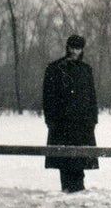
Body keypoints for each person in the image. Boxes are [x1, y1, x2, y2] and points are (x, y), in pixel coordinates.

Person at [42, 34, 99, 193]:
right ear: (67, 47)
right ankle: (68, 190)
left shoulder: (85, 70)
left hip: (82, 124)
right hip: (62, 124)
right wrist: (51, 120)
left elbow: (92, 97)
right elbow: (48, 97)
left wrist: (93, 120)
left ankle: (78, 190)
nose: (75, 51)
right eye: (72, 48)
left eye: (78, 48)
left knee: (80, 160)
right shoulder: (55, 68)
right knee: (64, 160)